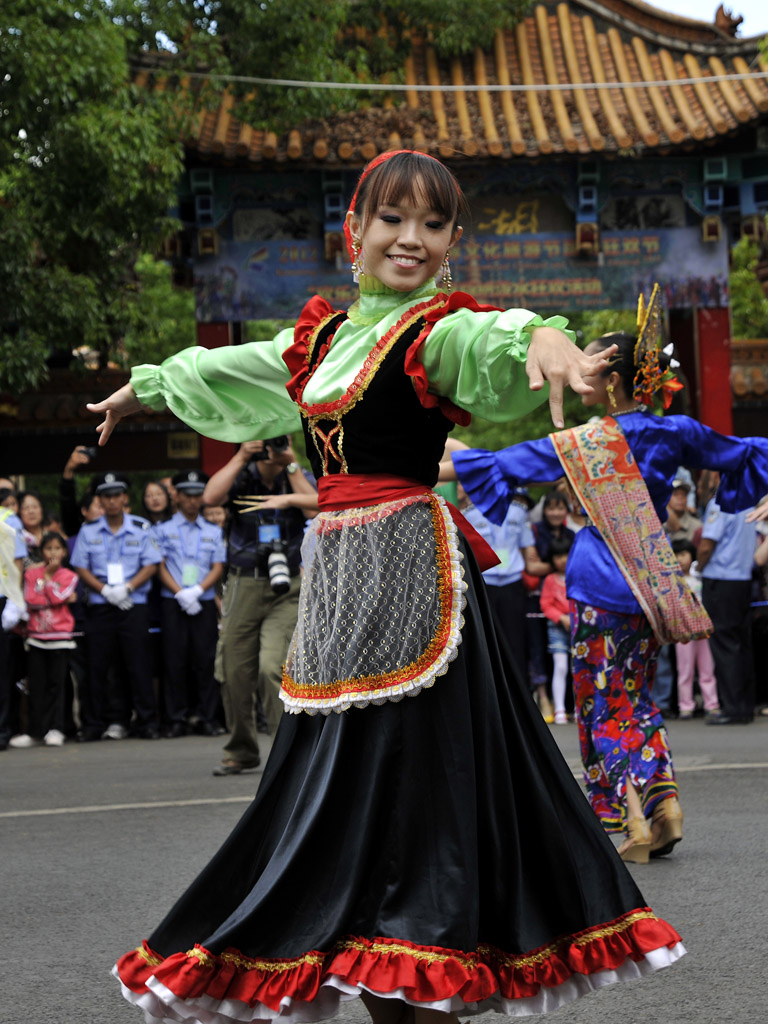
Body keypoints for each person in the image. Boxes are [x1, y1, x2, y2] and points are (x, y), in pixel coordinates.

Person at [89, 151, 685, 1024]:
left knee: (421, 806)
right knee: (327, 803)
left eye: (435, 225)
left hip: (415, 590)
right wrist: (141, 391)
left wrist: (548, 341)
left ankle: (428, 962)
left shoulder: (435, 331)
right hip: (338, 599)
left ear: (450, 243)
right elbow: (228, 372)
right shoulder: (319, 344)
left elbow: (498, 338)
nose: (413, 240)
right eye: (394, 219)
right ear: (355, 230)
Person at [452, 294, 768, 864]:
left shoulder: (590, 443)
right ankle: (659, 800)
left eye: (587, 363)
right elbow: (746, 452)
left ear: (612, 379)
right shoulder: (675, 432)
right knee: (635, 695)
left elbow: (508, 463)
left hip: (600, 583)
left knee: (601, 700)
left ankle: (627, 817)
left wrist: (434, 458)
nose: (576, 371)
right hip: (649, 583)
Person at [202, 438, 316, 775]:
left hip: (288, 586)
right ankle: (242, 749)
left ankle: (286, 754)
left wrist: (290, 462)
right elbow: (210, 497)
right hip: (243, 582)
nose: (273, 446)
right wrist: (240, 456)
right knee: (234, 671)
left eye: (280, 438)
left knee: (273, 666)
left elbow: (314, 508)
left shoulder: (297, 474)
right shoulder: (241, 474)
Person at [70, 471, 162, 740]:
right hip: (101, 605)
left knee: (138, 665)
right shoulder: (88, 531)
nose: (112, 501)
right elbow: (80, 566)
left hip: (133, 605)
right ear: (100, 499)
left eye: (116, 496)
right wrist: (106, 590)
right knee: (98, 666)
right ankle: (95, 724)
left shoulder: (140, 527)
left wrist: (127, 587)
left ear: (124, 498)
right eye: (106, 497)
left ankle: (147, 722)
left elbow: (152, 563)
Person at [153, 470, 227, 737]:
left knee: (206, 661)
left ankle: (208, 717)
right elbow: (159, 566)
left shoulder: (212, 530)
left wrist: (197, 590)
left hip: (203, 600)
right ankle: (176, 719)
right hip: (173, 602)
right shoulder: (162, 530)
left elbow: (218, 566)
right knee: (174, 661)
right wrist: (180, 593)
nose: (193, 501)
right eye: (188, 495)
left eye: (197, 495)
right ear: (178, 497)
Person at [10, 532, 78, 748]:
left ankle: (56, 728)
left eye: (57, 548)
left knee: (57, 685)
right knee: (37, 685)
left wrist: (48, 579)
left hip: (60, 637)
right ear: (41, 552)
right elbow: (32, 601)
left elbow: (60, 597)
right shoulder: (31, 574)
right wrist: (50, 591)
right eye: (48, 549)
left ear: (64, 552)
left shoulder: (69, 575)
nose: (53, 553)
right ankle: (35, 731)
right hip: (37, 637)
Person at [698, 501, 758, 724]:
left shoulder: (722, 501)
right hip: (742, 579)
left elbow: (706, 545)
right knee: (742, 643)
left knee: (725, 645)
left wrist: (698, 567)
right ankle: (744, 707)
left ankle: (732, 708)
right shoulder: (748, 504)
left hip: (720, 579)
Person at [670, 539, 719, 719]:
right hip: (684, 630)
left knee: (707, 668)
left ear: (692, 556)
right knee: (685, 669)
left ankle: (711, 703)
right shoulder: (673, 581)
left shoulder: (700, 576)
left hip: (704, 628)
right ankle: (685, 705)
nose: (680, 559)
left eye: (683, 554)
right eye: (676, 555)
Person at [539, 533, 573, 725]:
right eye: (558, 556)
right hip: (558, 629)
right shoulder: (551, 580)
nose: (562, 560)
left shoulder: (578, 576)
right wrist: (562, 618)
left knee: (578, 669)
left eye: (566, 555)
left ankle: (579, 707)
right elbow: (546, 604)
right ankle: (560, 709)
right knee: (560, 667)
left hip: (578, 627)